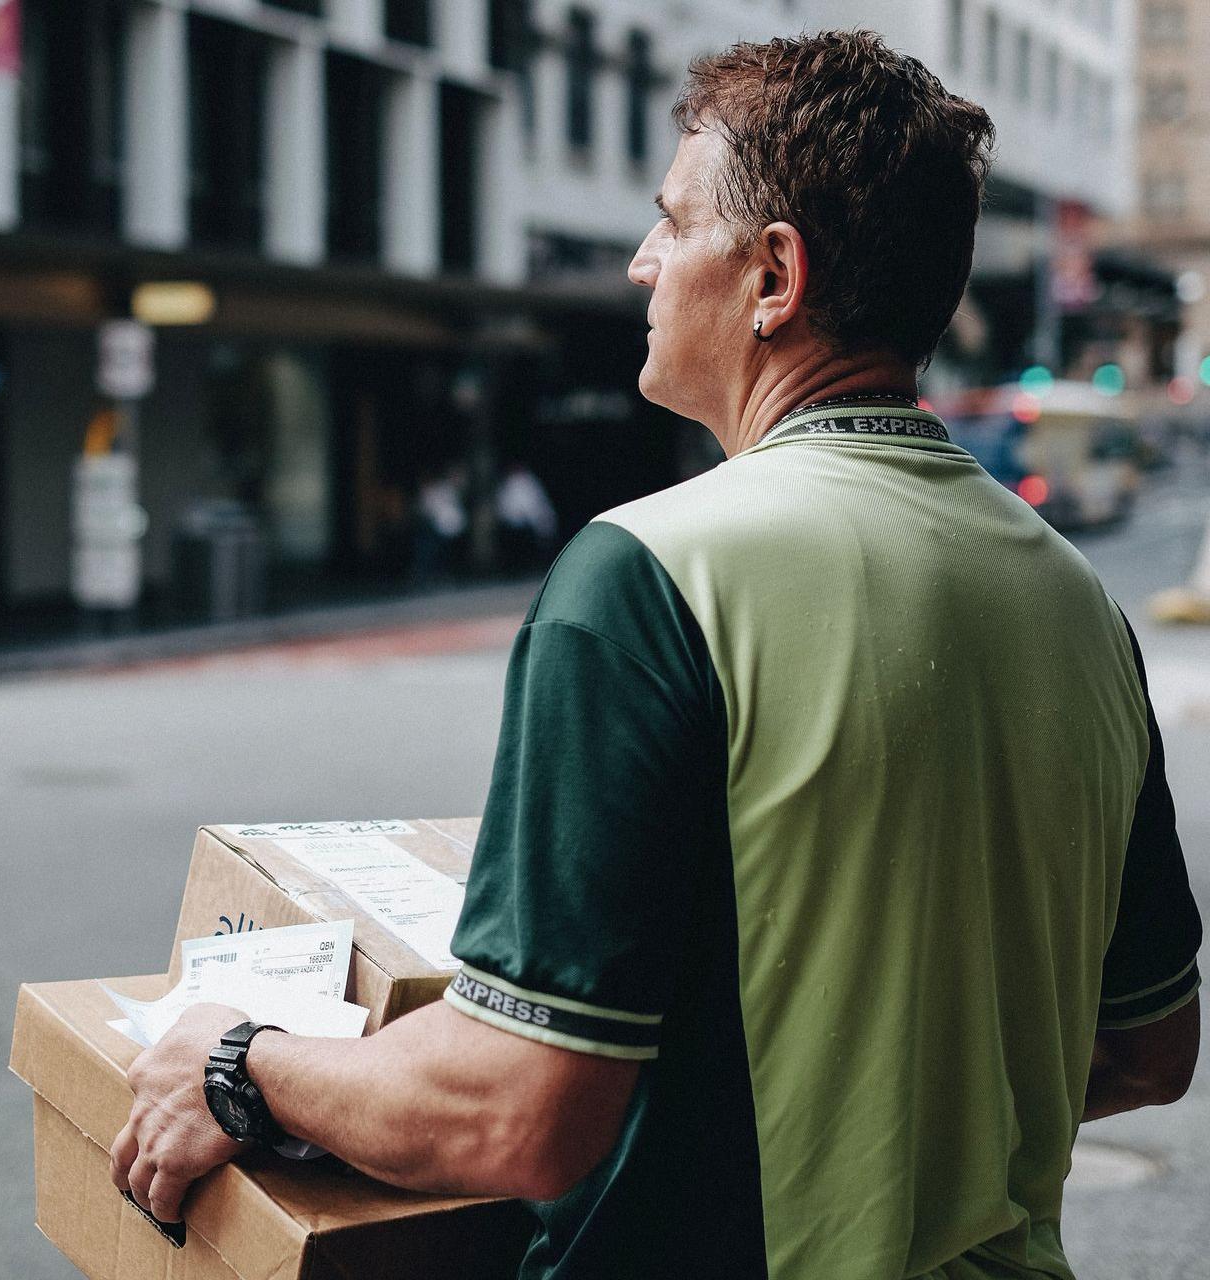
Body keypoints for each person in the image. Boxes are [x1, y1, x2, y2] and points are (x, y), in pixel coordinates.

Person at [112, 31, 1201, 1279]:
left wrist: (237, 1067)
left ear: (771, 276)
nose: (639, 263)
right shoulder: (1079, 604)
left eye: (670, 224)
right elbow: (1143, 1047)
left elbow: (517, 1113)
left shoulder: (647, 574)